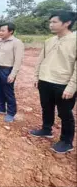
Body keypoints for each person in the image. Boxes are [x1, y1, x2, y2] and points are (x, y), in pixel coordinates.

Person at [30, 10, 76, 154]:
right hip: (45, 80)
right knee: (46, 107)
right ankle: (46, 129)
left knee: (65, 113)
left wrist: (72, 87)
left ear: (67, 23)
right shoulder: (49, 40)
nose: (51, 25)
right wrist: (37, 77)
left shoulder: (74, 40)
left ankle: (66, 141)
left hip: (63, 83)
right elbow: (40, 60)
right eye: (50, 22)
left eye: (54, 22)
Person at [0, 22, 25, 122]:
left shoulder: (17, 42)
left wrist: (13, 74)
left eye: (3, 30)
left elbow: (18, 60)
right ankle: (1, 108)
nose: (0, 32)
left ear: (11, 31)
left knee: (8, 92)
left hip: (7, 69)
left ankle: (11, 113)